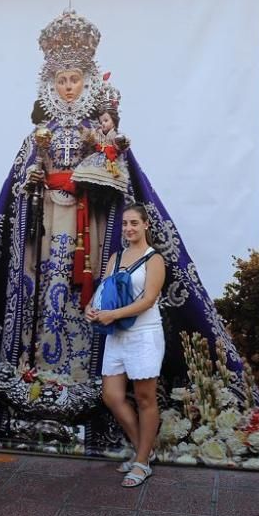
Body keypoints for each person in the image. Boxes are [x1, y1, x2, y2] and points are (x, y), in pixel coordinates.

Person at [0, 8, 259, 462]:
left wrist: (96, 169)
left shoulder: (100, 131)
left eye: (74, 78)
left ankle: (93, 390)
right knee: (46, 301)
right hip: (46, 241)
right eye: (60, 80)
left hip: (90, 238)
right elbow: (17, 188)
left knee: (83, 302)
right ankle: (37, 371)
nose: (67, 86)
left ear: (87, 82)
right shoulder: (39, 134)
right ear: (49, 86)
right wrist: (35, 179)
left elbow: (122, 183)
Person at [86, 203, 165, 487]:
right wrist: (92, 308)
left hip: (144, 335)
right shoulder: (117, 257)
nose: (129, 228)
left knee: (145, 398)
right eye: (125, 224)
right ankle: (145, 449)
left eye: (134, 223)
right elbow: (104, 289)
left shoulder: (153, 259)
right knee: (111, 395)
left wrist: (113, 314)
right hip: (116, 335)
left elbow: (147, 301)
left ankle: (142, 462)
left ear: (146, 225)